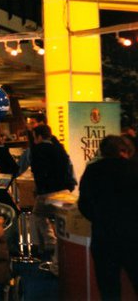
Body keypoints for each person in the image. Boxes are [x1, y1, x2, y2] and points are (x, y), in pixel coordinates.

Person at [78, 135, 138, 301]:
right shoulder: (134, 169)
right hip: (133, 237)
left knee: (109, 290)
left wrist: (100, 218)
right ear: (123, 150)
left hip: (103, 237)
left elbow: (84, 205)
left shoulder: (92, 171)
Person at [30, 124, 74, 270]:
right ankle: (57, 256)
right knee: (62, 225)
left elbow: (38, 173)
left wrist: (39, 190)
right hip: (65, 192)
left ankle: (49, 242)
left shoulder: (38, 150)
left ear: (39, 137)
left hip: (48, 193)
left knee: (37, 213)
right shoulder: (59, 148)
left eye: (34, 137)